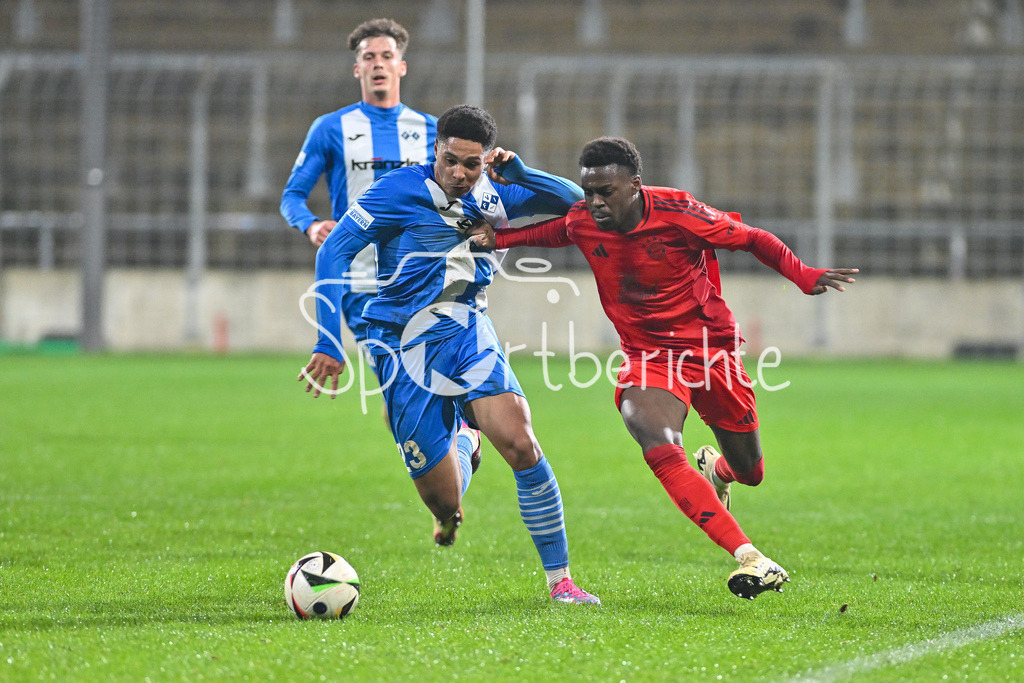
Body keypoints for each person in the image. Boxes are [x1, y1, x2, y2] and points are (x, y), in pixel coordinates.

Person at [473, 136, 857, 600]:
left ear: (635, 185)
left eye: (605, 192)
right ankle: (750, 556)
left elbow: (752, 238)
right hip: (647, 357)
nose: (593, 202)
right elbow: (555, 232)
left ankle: (719, 471)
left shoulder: (679, 212)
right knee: (655, 437)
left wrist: (802, 274)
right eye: (587, 191)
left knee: (750, 470)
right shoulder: (583, 220)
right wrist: (500, 238)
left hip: (711, 352)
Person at [298, 104, 601, 604]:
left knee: (522, 443)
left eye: (472, 164)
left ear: (487, 160)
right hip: (400, 341)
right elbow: (334, 251)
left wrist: (522, 172)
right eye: (450, 160)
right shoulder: (399, 190)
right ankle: (464, 445)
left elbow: (574, 202)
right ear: (435, 150)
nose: (459, 173)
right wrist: (329, 337)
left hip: (467, 328)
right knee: (446, 501)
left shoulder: (498, 189)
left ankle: (561, 583)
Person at [281, 19, 481, 543]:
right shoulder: (331, 128)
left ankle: (455, 467)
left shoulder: (432, 132)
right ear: (356, 69)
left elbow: (463, 192)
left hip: (428, 283)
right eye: (368, 57)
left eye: (385, 55)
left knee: (439, 377)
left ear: (401, 66)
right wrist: (311, 224)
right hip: (364, 290)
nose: (377, 64)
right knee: (401, 405)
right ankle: (457, 463)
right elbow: (291, 197)